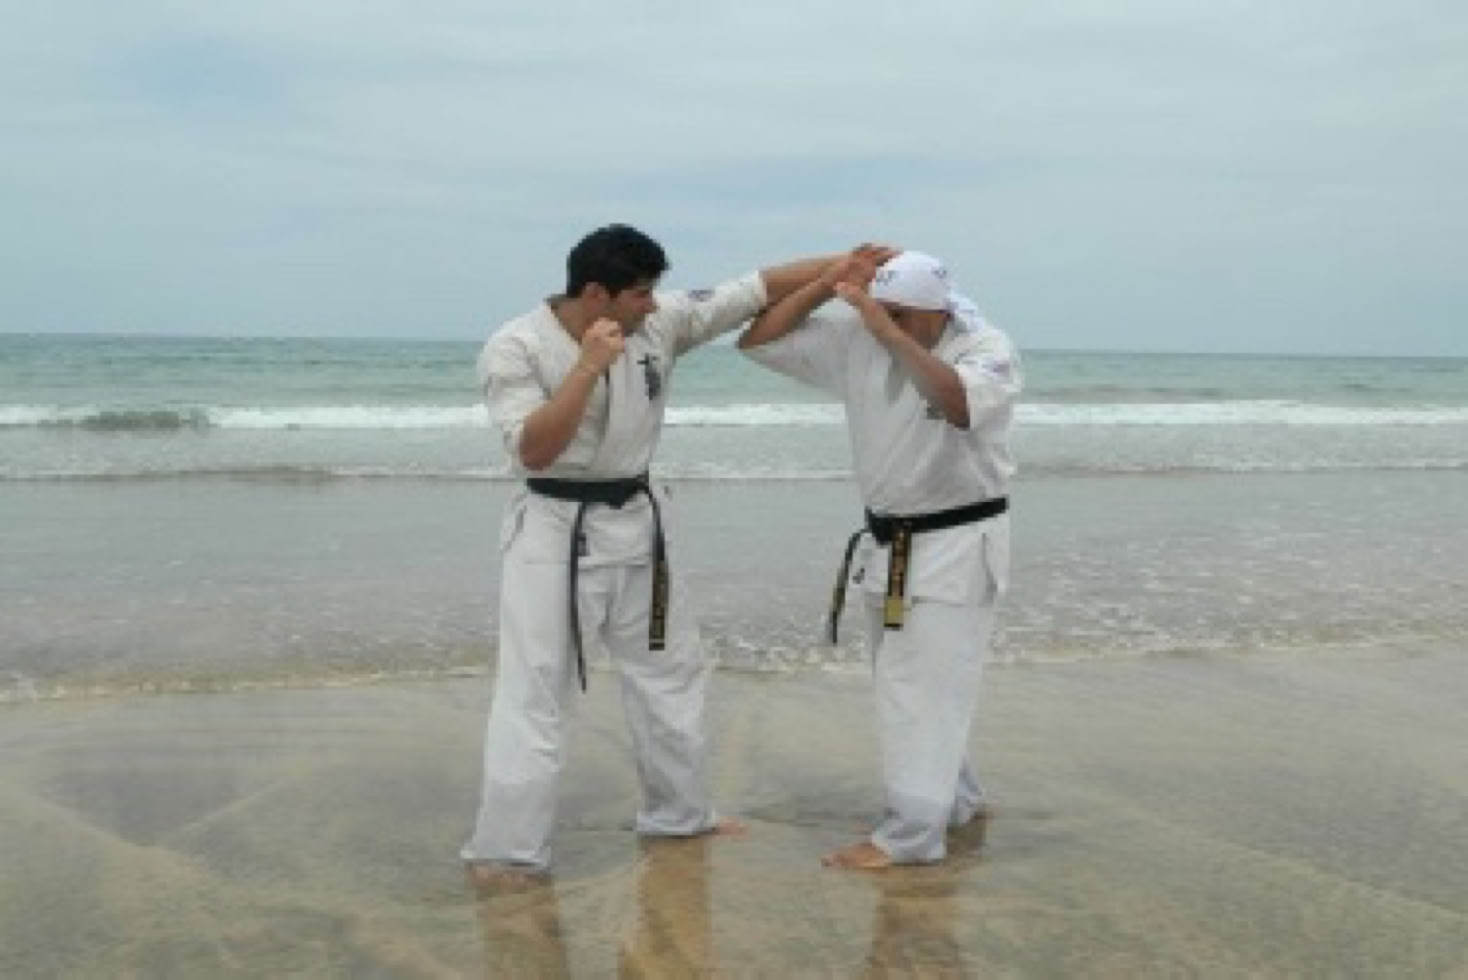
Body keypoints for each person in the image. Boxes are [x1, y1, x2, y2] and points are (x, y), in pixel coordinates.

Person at [462, 223, 859, 881]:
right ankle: (506, 851)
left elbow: (752, 289)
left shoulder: (658, 323)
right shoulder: (515, 347)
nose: (652, 305)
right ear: (596, 293)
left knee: (671, 674)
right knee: (537, 695)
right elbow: (534, 450)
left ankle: (680, 816)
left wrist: (848, 262)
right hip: (555, 531)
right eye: (640, 294)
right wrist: (587, 368)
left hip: (640, 524)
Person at [737, 250, 1021, 869]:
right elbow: (757, 340)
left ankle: (911, 837)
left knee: (919, 691)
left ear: (936, 311)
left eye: (899, 314)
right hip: (887, 541)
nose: (881, 321)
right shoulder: (859, 337)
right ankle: (957, 800)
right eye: (879, 309)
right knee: (912, 683)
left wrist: (885, 329)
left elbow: (957, 403)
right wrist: (826, 284)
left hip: (956, 541)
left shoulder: (985, 347)